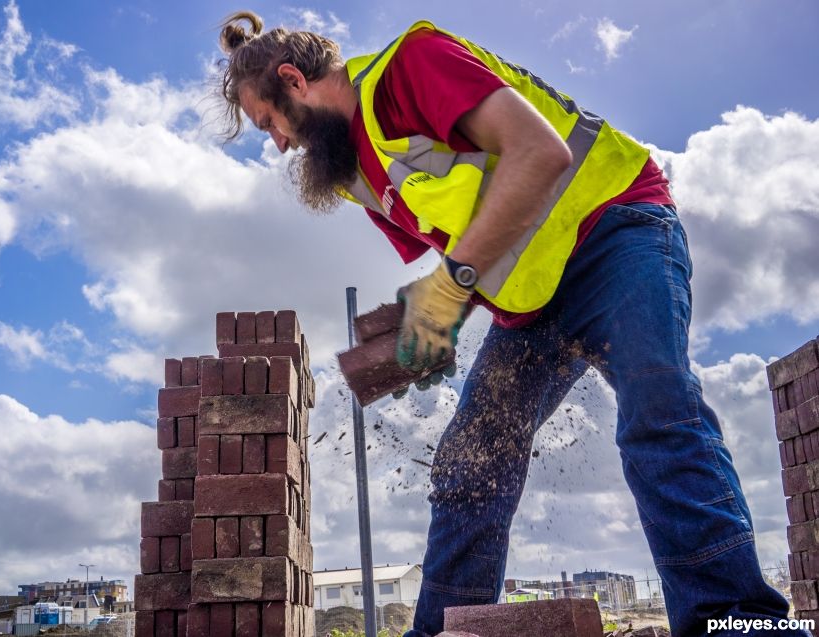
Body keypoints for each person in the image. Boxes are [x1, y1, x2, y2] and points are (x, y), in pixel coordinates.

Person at [214, 12, 804, 637]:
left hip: (613, 229)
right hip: (532, 298)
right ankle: (446, 629)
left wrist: (445, 293)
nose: (278, 144)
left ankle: (736, 620)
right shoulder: (358, 171)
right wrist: (431, 323)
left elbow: (540, 153)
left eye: (268, 122)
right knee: (471, 462)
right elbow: (473, 237)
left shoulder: (411, 67)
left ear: (292, 81)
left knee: (658, 411)